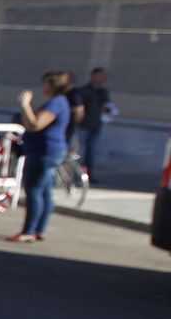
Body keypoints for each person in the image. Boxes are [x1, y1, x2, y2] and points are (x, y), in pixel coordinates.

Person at [10, 71, 74, 243]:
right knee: (44, 191)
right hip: (47, 150)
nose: (42, 87)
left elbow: (35, 124)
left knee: (34, 190)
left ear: (53, 85)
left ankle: (29, 231)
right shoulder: (59, 102)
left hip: (43, 152)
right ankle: (39, 229)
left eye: (45, 83)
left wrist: (25, 104)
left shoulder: (55, 104)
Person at [74, 67, 114, 180]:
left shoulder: (103, 92)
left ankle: (87, 175)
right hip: (83, 125)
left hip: (96, 125)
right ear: (93, 76)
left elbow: (107, 106)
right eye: (100, 75)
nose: (103, 78)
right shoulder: (83, 91)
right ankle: (74, 174)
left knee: (91, 153)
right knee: (78, 151)